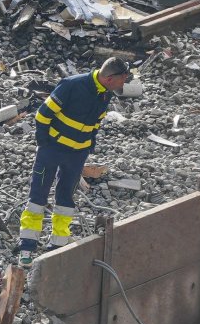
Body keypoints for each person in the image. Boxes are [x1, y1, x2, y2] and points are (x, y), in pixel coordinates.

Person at [18, 57, 131, 266]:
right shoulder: (72, 85)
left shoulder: (105, 94)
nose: (124, 84)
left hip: (76, 155)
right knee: (38, 194)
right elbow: (43, 115)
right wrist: (45, 143)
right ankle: (27, 246)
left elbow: (95, 123)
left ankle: (58, 245)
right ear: (109, 78)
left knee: (65, 197)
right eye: (123, 79)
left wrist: (89, 145)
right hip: (52, 150)